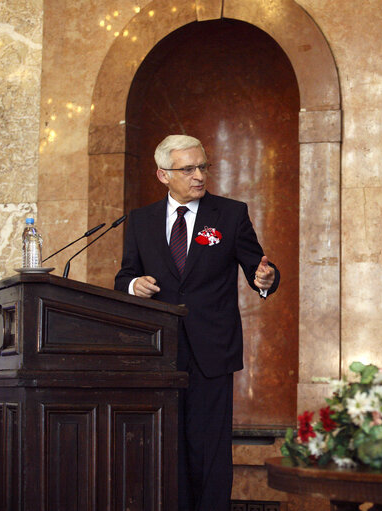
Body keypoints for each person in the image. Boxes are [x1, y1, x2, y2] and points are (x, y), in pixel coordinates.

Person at [115, 134, 279, 510]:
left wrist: (266, 280)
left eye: (202, 166)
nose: (198, 176)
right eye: (187, 169)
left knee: (209, 450)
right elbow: (125, 275)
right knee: (165, 447)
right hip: (159, 353)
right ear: (162, 175)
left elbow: (260, 267)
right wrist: (133, 284)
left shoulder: (231, 213)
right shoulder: (141, 221)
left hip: (212, 350)